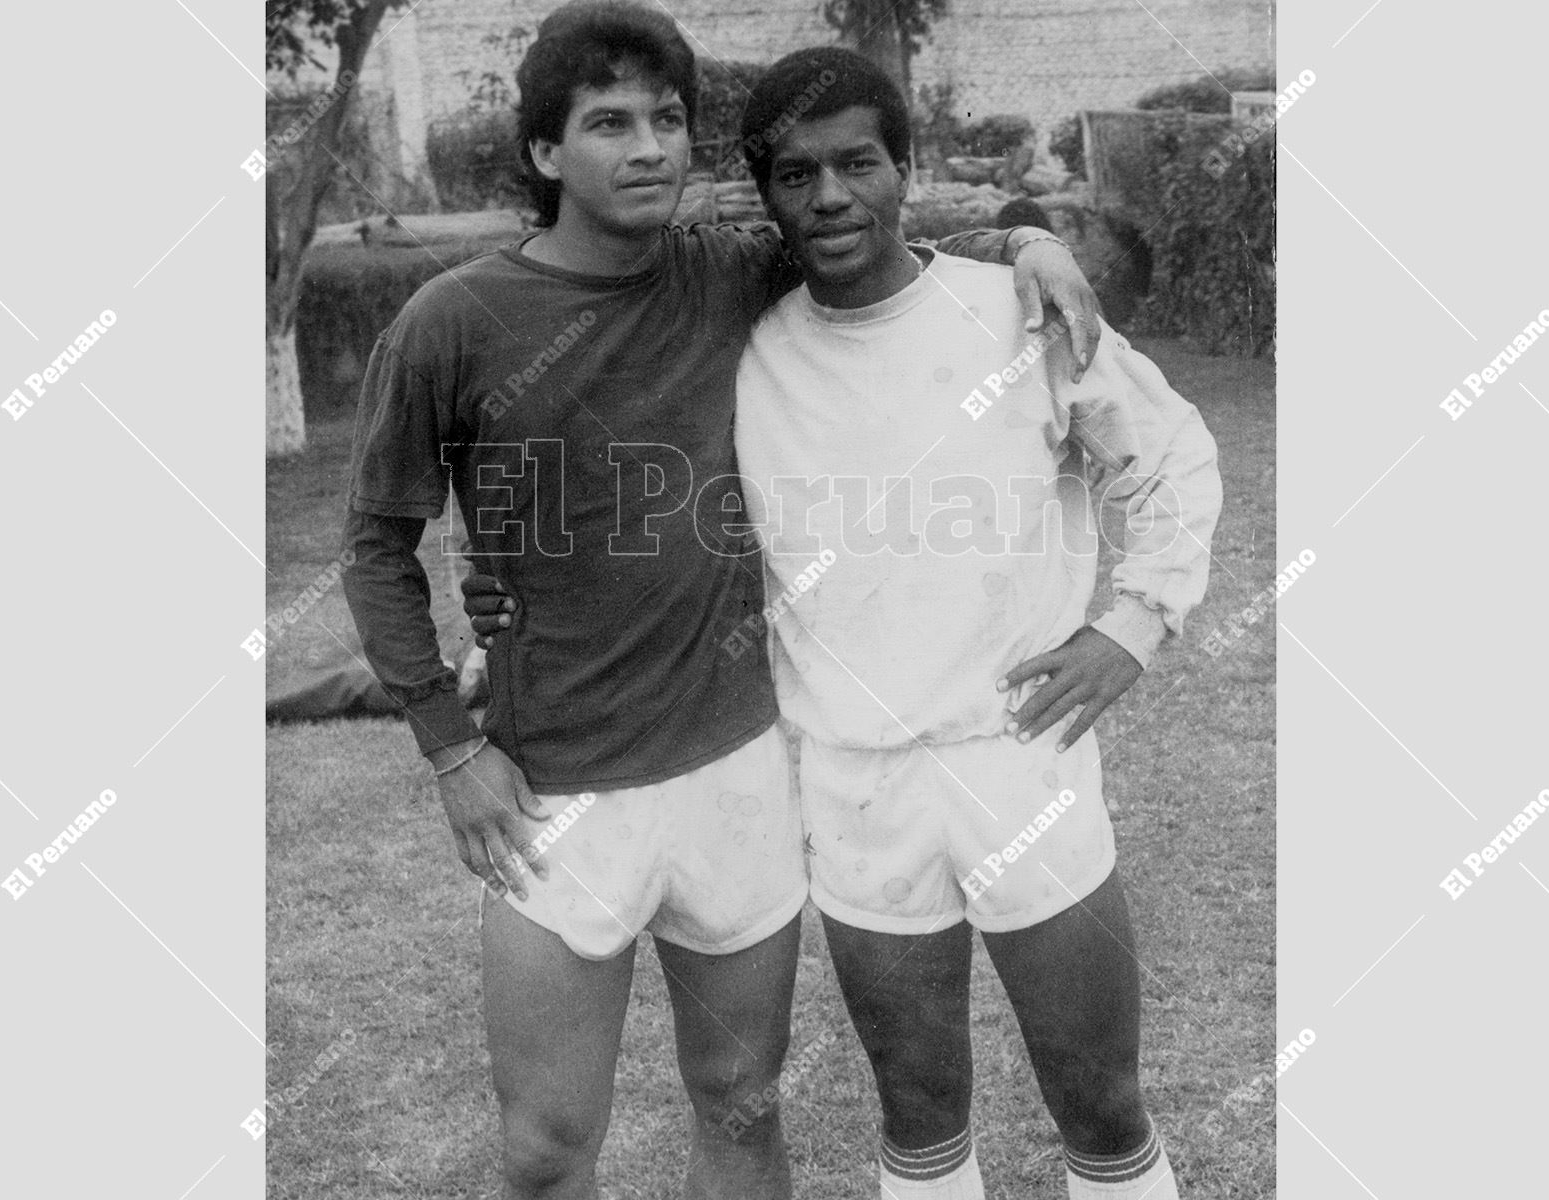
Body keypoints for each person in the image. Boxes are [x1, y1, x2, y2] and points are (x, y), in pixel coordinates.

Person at [339, 4, 1102, 1197]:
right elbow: (374, 549)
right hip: (555, 788)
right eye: (607, 124)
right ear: (546, 154)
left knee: (743, 1109)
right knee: (543, 1151)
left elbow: (881, 213)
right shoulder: (452, 322)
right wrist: (448, 749)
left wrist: (1028, 230)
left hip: (740, 770)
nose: (648, 148)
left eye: (667, 120)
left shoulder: (729, 270)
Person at [732, 48, 1220, 1200]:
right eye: (797, 175)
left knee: (1098, 1101)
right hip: (855, 785)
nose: (832, 196)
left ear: (908, 168)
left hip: (1020, 758)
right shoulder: (747, 350)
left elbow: (1172, 459)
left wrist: (1133, 627)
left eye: (859, 162)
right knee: (917, 1108)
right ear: (768, 196)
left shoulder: (1016, 307)